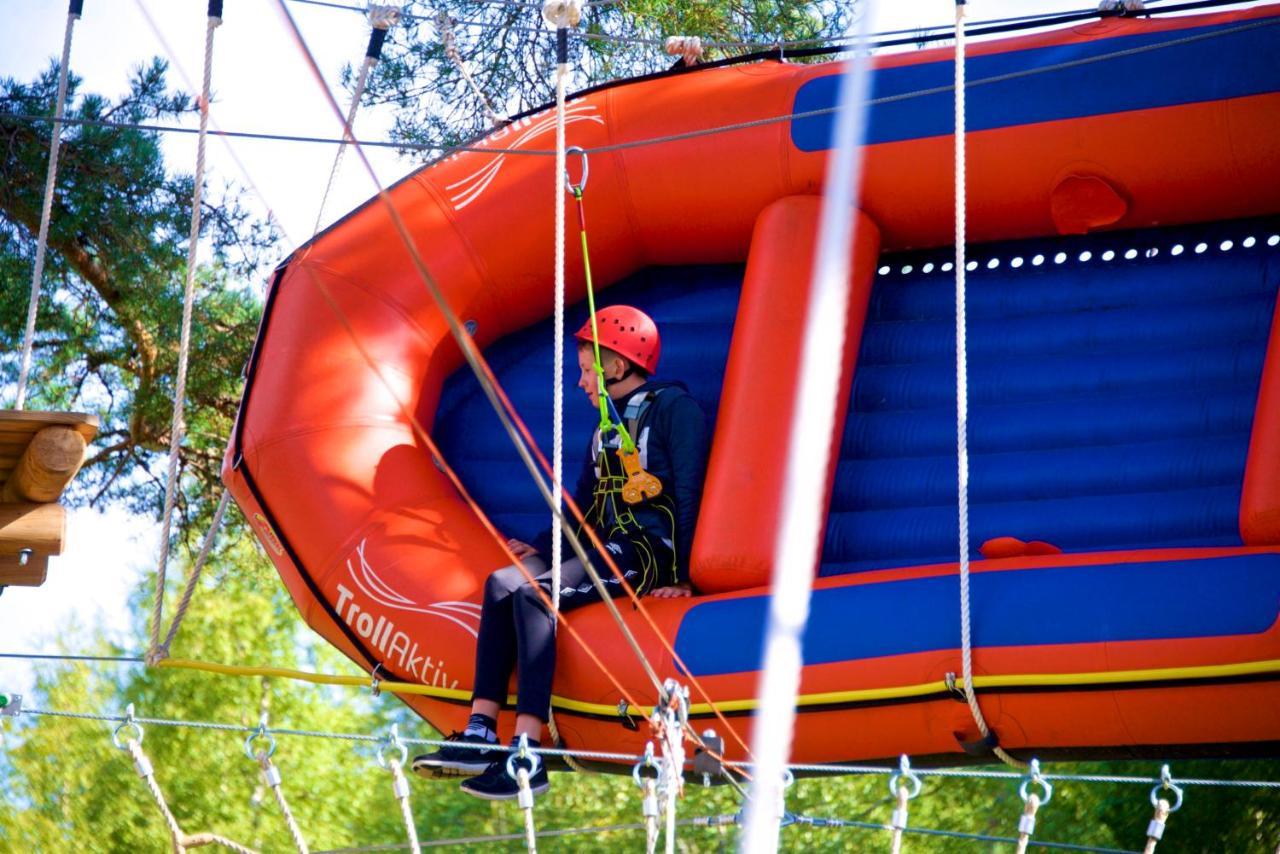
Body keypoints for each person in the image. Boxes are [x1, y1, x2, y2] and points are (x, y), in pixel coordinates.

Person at [412, 305, 709, 800]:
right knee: (504, 584)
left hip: (645, 551)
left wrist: (682, 573)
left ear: (617, 366)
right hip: (607, 544)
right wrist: (544, 548)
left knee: (534, 597)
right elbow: (582, 512)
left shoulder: (676, 410)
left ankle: (529, 748)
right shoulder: (603, 433)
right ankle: (481, 731)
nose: (581, 383)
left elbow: (689, 492)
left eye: (588, 368)